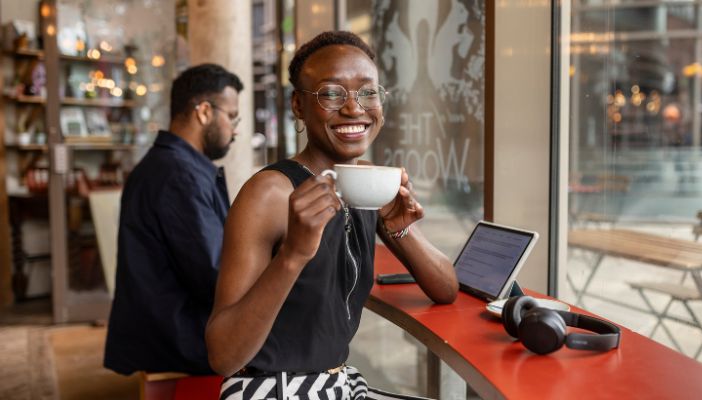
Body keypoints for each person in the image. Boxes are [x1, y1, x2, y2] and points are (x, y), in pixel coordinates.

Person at [206, 31, 458, 399]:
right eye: (331, 93)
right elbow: (223, 355)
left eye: (367, 92)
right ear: (298, 106)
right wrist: (293, 255)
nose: (354, 108)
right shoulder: (270, 193)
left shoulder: (366, 184)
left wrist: (403, 231)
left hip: (337, 383)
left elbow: (446, 288)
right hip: (272, 388)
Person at [104, 63, 243, 375]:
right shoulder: (179, 175)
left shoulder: (171, 165)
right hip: (177, 338)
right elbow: (215, 277)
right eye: (232, 117)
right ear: (204, 111)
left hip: (161, 329)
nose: (235, 130)